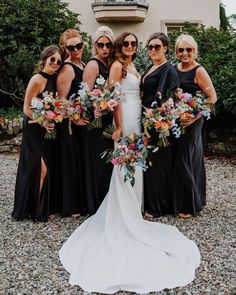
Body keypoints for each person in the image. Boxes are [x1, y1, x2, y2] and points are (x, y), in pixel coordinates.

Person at [59, 32, 200, 293]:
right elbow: (112, 98)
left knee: (136, 163)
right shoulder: (117, 65)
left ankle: (135, 206)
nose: (130, 47)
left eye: (134, 44)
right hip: (126, 119)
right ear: (119, 45)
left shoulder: (135, 66)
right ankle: (124, 210)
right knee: (126, 163)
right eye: (126, 43)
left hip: (139, 117)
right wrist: (119, 125)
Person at [12, 45, 62, 221]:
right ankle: (36, 210)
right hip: (34, 128)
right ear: (45, 59)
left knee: (44, 167)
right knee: (40, 168)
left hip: (46, 129)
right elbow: (26, 108)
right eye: (52, 59)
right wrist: (42, 120)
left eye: (58, 61)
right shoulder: (37, 79)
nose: (55, 63)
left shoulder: (54, 80)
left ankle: (40, 208)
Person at [173, 34, 217, 218]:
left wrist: (194, 116)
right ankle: (179, 201)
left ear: (194, 51)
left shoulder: (199, 71)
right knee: (177, 159)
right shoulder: (174, 68)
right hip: (176, 121)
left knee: (186, 159)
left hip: (193, 121)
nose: (185, 53)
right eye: (181, 50)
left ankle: (191, 205)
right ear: (176, 52)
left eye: (188, 49)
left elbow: (212, 98)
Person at [141, 32, 179, 217]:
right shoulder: (151, 66)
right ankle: (150, 201)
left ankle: (159, 206)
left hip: (157, 121)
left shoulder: (168, 70)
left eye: (157, 46)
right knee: (150, 161)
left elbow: (168, 99)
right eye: (150, 47)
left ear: (165, 48)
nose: (153, 50)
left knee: (158, 163)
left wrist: (155, 117)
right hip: (146, 119)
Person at [55, 29, 88, 217]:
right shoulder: (67, 68)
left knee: (80, 161)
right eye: (71, 47)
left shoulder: (83, 64)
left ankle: (81, 202)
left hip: (82, 123)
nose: (76, 49)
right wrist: (74, 115)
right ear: (64, 48)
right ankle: (71, 205)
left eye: (79, 46)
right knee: (71, 162)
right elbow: (60, 100)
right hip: (69, 124)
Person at [82, 26, 114, 215]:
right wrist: (94, 106)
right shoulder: (93, 64)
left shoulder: (110, 64)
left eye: (108, 45)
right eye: (100, 44)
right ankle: (95, 203)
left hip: (109, 119)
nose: (104, 48)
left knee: (108, 160)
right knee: (98, 160)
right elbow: (85, 94)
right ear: (95, 45)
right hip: (97, 120)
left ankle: (108, 200)